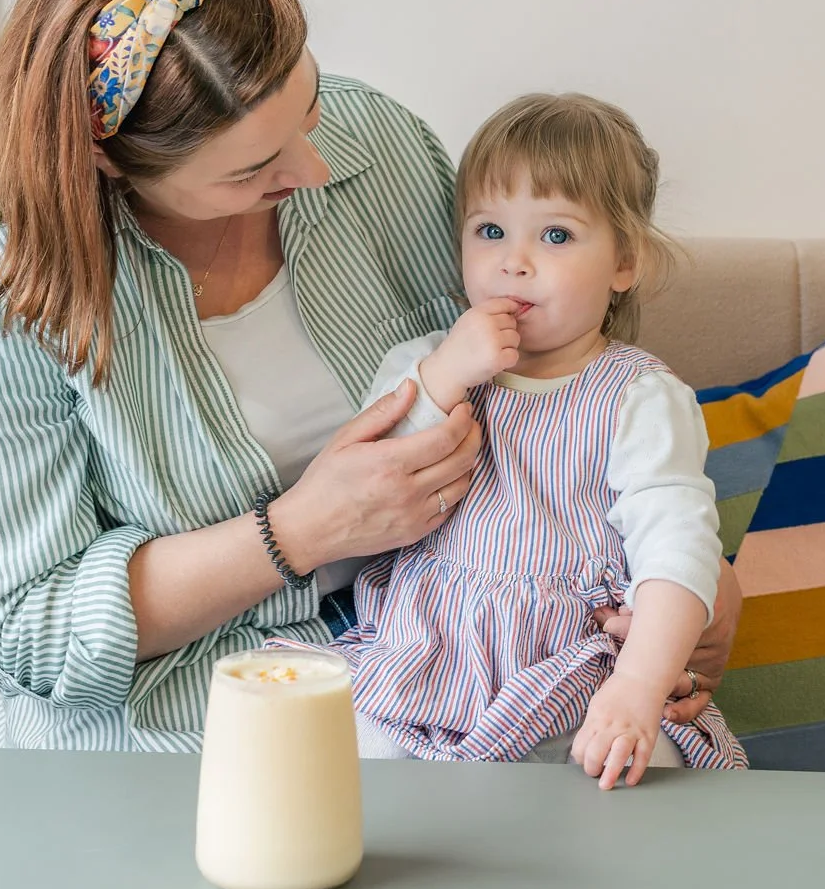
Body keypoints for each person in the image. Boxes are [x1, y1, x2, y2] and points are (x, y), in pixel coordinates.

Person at [0, 0, 739, 752]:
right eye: (253, 169)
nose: (317, 167)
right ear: (109, 161)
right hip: (168, 728)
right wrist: (298, 532)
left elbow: (557, 389)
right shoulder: (4, 271)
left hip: (454, 680)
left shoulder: (381, 142)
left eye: (310, 104)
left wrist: (687, 597)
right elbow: (17, 628)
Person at [267, 94, 748, 784]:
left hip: (571, 670)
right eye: (489, 230)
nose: (513, 261)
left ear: (624, 261)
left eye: (555, 235)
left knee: (633, 770)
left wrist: (637, 688)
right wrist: (445, 376)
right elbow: (364, 477)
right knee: (331, 748)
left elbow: (677, 545)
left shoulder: (638, 397)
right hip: (422, 657)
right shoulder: (426, 363)